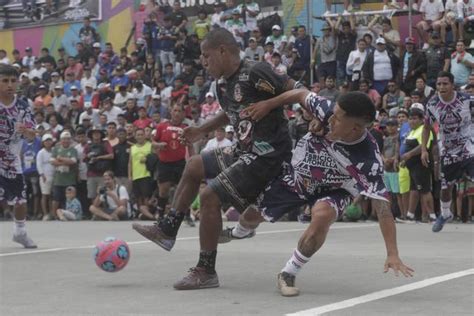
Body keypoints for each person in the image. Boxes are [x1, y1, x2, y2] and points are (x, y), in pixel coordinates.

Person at [132, 28, 298, 289]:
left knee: (209, 196)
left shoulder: (257, 71)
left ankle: (205, 270)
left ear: (222, 51)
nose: (203, 62)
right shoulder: (223, 84)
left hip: (268, 156)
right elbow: (232, 112)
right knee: (195, 163)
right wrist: (201, 129)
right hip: (244, 150)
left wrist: (270, 104)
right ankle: (168, 230)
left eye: (206, 56)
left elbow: (299, 91)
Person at [218, 90, 414, 296]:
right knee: (250, 217)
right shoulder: (327, 111)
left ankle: (288, 272)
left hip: (335, 189)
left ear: (355, 128)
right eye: (332, 113)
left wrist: (392, 253)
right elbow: (300, 93)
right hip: (298, 177)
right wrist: (268, 103)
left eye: (337, 118)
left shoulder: (368, 160)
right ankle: (239, 232)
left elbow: (383, 210)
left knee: (323, 215)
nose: (330, 119)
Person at [421, 71, 474, 232]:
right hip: (448, 150)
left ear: (452, 85)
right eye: (439, 84)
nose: (442, 87)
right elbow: (426, 127)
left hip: (468, 147)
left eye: (445, 84)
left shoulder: (467, 100)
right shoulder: (432, 104)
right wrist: (424, 149)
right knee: (445, 188)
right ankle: (445, 214)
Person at [0, 64, 37, 248]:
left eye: (13, 81)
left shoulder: (22, 107)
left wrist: (27, 131)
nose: (9, 85)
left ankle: (20, 233)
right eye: (5, 81)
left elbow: (32, 135)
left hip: (12, 161)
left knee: (21, 200)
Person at [128, 128, 153, 212]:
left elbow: (155, 158)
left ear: (145, 135)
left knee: (146, 196)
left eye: (142, 134)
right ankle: (140, 212)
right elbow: (130, 163)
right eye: (138, 135)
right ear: (135, 136)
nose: (140, 136)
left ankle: (147, 212)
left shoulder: (150, 145)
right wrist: (129, 176)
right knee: (138, 196)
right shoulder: (132, 147)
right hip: (135, 175)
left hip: (146, 174)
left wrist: (147, 159)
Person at [36, 133, 55, 220]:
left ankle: (52, 212)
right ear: (43, 142)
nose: (48, 142)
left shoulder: (54, 150)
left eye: (49, 140)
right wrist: (42, 175)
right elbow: (39, 165)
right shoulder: (41, 152)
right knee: (45, 195)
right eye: (46, 141)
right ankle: (45, 214)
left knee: (51, 195)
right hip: (45, 176)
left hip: (54, 175)